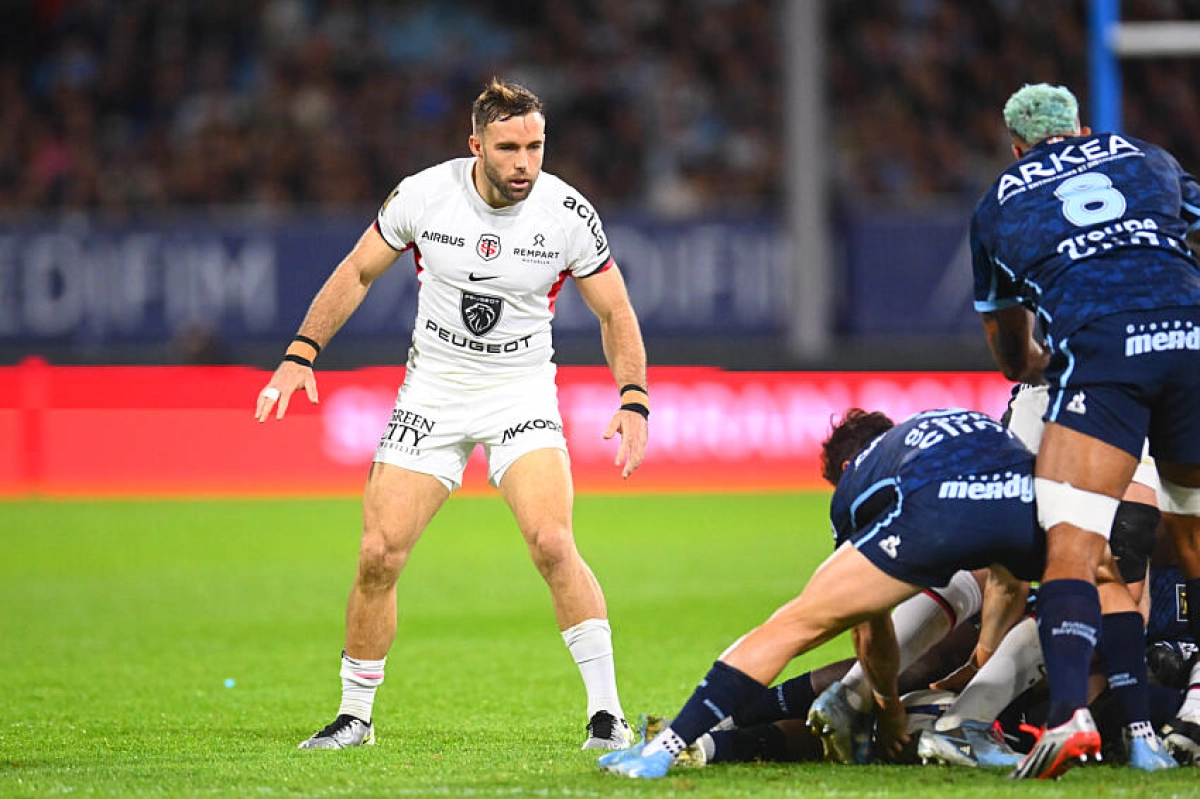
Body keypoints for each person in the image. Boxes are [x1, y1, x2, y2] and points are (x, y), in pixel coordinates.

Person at [253, 79, 649, 751]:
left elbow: (615, 311)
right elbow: (356, 272)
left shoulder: (566, 213)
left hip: (520, 392)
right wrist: (300, 353)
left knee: (553, 543)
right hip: (433, 393)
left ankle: (607, 715)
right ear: (476, 146)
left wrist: (633, 397)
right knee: (378, 554)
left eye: (535, 146)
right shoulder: (424, 195)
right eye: (509, 148)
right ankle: (355, 716)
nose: (525, 163)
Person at [601, 407, 1049, 778]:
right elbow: (1010, 585)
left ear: (845, 470)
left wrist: (887, 706)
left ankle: (668, 745)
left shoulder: (862, 478)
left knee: (794, 625)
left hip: (933, 512)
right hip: (1025, 501)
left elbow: (870, 627)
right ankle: (987, 723)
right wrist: (979, 664)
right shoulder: (955, 426)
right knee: (1073, 599)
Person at [969, 82, 1200, 778]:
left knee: (1075, 540)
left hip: (1101, 349)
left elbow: (1011, 353)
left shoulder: (999, 202)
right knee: (1192, 532)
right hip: (1190, 335)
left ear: (1016, 149)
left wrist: (1044, 361)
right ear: (1084, 129)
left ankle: (1069, 713)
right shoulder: (1145, 157)